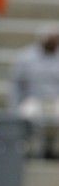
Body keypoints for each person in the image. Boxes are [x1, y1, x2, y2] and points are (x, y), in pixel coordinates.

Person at [10, 23, 59, 158]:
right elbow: (17, 85)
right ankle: (28, 148)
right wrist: (14, 106)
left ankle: (51, 148)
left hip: (55, 100)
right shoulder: (26, 57)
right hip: (34, 99)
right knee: (26, 114)